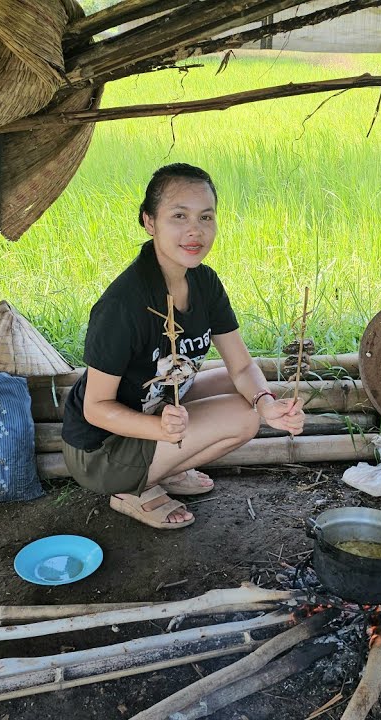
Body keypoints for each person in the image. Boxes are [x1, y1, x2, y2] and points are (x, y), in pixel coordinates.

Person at [61, 163, 305, 529]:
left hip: (156, 410)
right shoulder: (122, 305)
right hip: (101, 449)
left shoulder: (204, 282)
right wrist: (160, 430)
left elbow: (241, 367)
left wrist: (267, 404)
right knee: (243, 418)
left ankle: (167, 465)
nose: (195, 230)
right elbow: (95, 409)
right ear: (149, 222)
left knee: (239, 388)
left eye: (206, 217)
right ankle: (133, 489)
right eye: (179, 216)